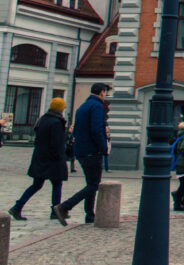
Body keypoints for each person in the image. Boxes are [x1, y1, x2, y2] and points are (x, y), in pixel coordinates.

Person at [52, 83, 110, 226]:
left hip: (82, 150)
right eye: (106, 92)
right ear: (102, 92)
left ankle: (90, 215)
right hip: (92, 151)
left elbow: (77, 129)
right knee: (93, 185)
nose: (106, 95)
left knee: (90, 183)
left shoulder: (83, 106)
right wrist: (103, 147)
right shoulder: (96, 107)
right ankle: (64, 207)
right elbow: (96, 130)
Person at [8, 97, 68, 221]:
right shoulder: (57, 122)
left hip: (40, 156)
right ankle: (55, 211)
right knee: (57, 184)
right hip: (52, 159)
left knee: (36, 184)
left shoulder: (43, 119)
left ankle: (17, 207)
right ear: (61, 108)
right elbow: (56, 143)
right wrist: (61, 157)